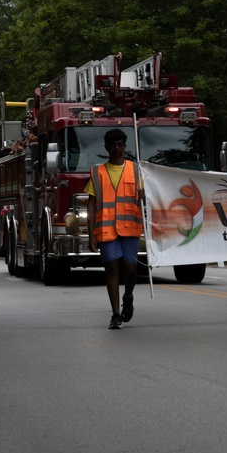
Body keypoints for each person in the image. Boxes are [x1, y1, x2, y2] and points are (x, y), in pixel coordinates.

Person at [86, 128, 143, 330]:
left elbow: (146, 198)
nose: (117, 148)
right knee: (111, 268)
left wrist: (145, 195)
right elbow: (91, 206)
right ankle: (115, 313)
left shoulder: (136, 171)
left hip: (130, 227)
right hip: (106, 229)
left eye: (120, 144)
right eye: (113, 145)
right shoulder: (97, 173)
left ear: (125, 147)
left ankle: (128, 296)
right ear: (107, 148)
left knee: (130, 268)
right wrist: (91, 234)